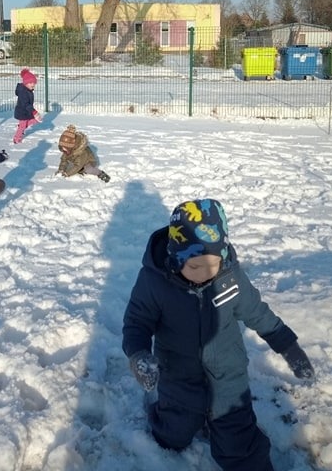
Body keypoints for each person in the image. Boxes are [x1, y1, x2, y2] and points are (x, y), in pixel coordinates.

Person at [122, 198, 314, 471]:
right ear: (177, 258)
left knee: (240, 443)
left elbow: (257, 313)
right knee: (172, 434)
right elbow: (136, 322)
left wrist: (288, 346)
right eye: (195, 266)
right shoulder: (155, 283)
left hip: (228, 378)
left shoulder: (230, 277)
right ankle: (164, 421)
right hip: (178, 377)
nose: (205, 274)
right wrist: (138, 354)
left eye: (212, 264)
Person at [13, 68, 42, 144]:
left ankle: (21, 128)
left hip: (26, 111)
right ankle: (16, 138)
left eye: (34, 83)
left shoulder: (28, 90)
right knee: (24, 125)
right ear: (25, 83)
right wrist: (34, 112)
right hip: (22, 112)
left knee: (32, 121)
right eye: (30, 83)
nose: (33, 84)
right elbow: (26, 104)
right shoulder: (23, 92)